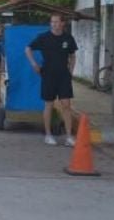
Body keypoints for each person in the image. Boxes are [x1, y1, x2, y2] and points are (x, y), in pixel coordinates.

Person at [25, 14, 78, 146]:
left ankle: (69, 136)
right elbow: (28, 49)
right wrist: (34, 64)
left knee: (66, 104)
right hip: (48, 74)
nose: (54, 24)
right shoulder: (44, 37)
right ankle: (48, 135)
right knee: (49, 104)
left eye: (56, 22)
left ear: (62, 23)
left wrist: (71, 71)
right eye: (52, 22)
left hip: (63, 75)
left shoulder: (68, 38)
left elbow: (73, 56)